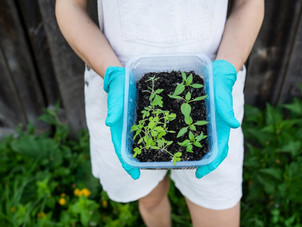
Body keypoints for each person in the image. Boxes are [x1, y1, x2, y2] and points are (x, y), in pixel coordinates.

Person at [56, 0, 264, 226]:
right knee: (151, 199)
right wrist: (113, 74)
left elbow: (248, 4)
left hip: (213, 88)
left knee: (218, 209)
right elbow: (70, 7)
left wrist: (226, 68)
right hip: (119, 85)